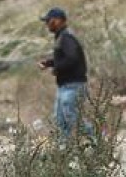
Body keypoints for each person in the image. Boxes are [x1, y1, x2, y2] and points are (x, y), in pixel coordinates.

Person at [38, 7, 89, 138]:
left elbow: (72, 58)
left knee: (73, 120)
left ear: (59, 20)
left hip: (73, 86)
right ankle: (63, 152)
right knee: (60, 121)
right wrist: (49, 63)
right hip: (65, 86)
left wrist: (57, 68)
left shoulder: (66, 37)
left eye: (49, 21)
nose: (47, 24)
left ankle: (96, 142)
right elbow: (65, 57)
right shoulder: (62, 37)